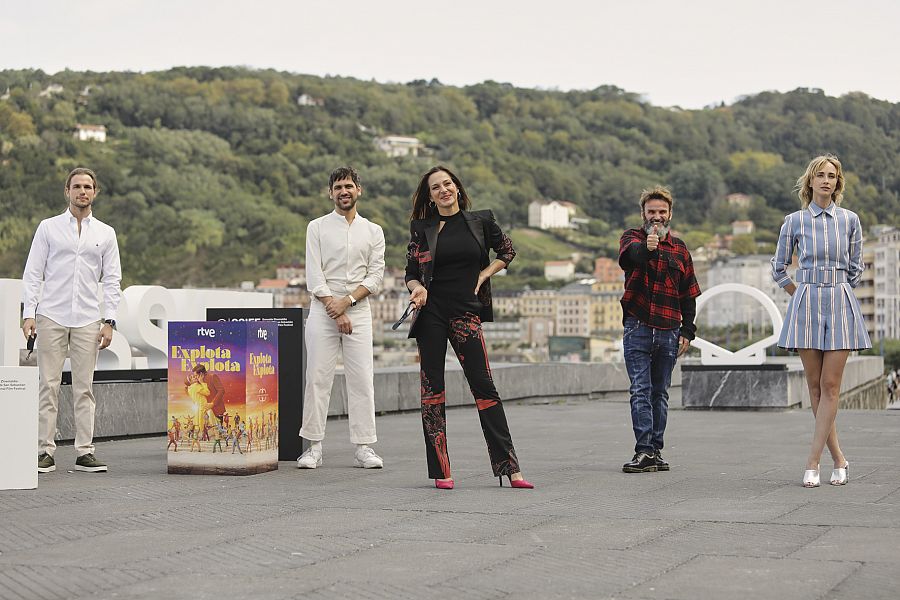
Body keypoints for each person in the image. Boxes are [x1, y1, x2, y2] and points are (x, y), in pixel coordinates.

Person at [405, 165, 533, 490]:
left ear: (457, 188)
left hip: (466, 311)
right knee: (432, 392)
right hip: (431, 312)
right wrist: (416, 288)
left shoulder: (481, 221)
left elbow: (508, 251)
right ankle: (442, 471)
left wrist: (484, 274)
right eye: (435, 188)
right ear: (431, 197)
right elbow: (410, 270)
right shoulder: (423, 228)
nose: (443, 190)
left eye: (447, 184)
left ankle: (510, 468)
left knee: (485, 387)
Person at [771, 154, 871, 488]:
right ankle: (839, 459)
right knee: (813, 386)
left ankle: (812, 461)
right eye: (820, 175)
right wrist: (798, 292)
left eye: (832, 175)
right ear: (810, 181)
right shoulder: (794, 221)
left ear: (837, 182)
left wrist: (838, 290)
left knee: (830, 386)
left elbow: (856, 266)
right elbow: (779, 266)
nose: (826, 180)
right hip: (806, 301)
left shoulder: (851, 220)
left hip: (840, 301)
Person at [22, 167, 122, 473]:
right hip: (51, 315)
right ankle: (44, 451)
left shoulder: (105, 233)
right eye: (77, 186)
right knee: (48, 385)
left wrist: (110, 321)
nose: (82, 191)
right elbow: (33, 272)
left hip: (88, 319)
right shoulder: (48, 228)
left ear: (95, 192)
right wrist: (28, 314)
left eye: (88, 186)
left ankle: (84, 452)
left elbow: (113, 280)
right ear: (67, 191)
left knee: (84, 387)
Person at [296, 166, 386, 469]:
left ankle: (364, 447)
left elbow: (375, 277)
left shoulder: (373, 231)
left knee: (362, 379)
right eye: (338, 187)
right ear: (330, 192)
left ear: (358, 189)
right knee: (318, 378)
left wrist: (346, 303)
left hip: (358, 312)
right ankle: (313, 446)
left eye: (348, 186)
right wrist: (334, 309)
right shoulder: (316, 227)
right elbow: (314, 274)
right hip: (323, 311)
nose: (343, 191)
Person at [618, 185, 700, 474]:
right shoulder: (632, 238)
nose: (656, 217)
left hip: (668, 329)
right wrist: (647, 248)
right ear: (643, 213)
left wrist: (687, 331)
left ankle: (656, 450)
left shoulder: (680, 248)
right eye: (651, 212)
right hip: (637, 326)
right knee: (640, 390)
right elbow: (628, 258)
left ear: (670, 214)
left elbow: (688, 294)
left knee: (660, 393)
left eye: (661, 212)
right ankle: (643, 451)